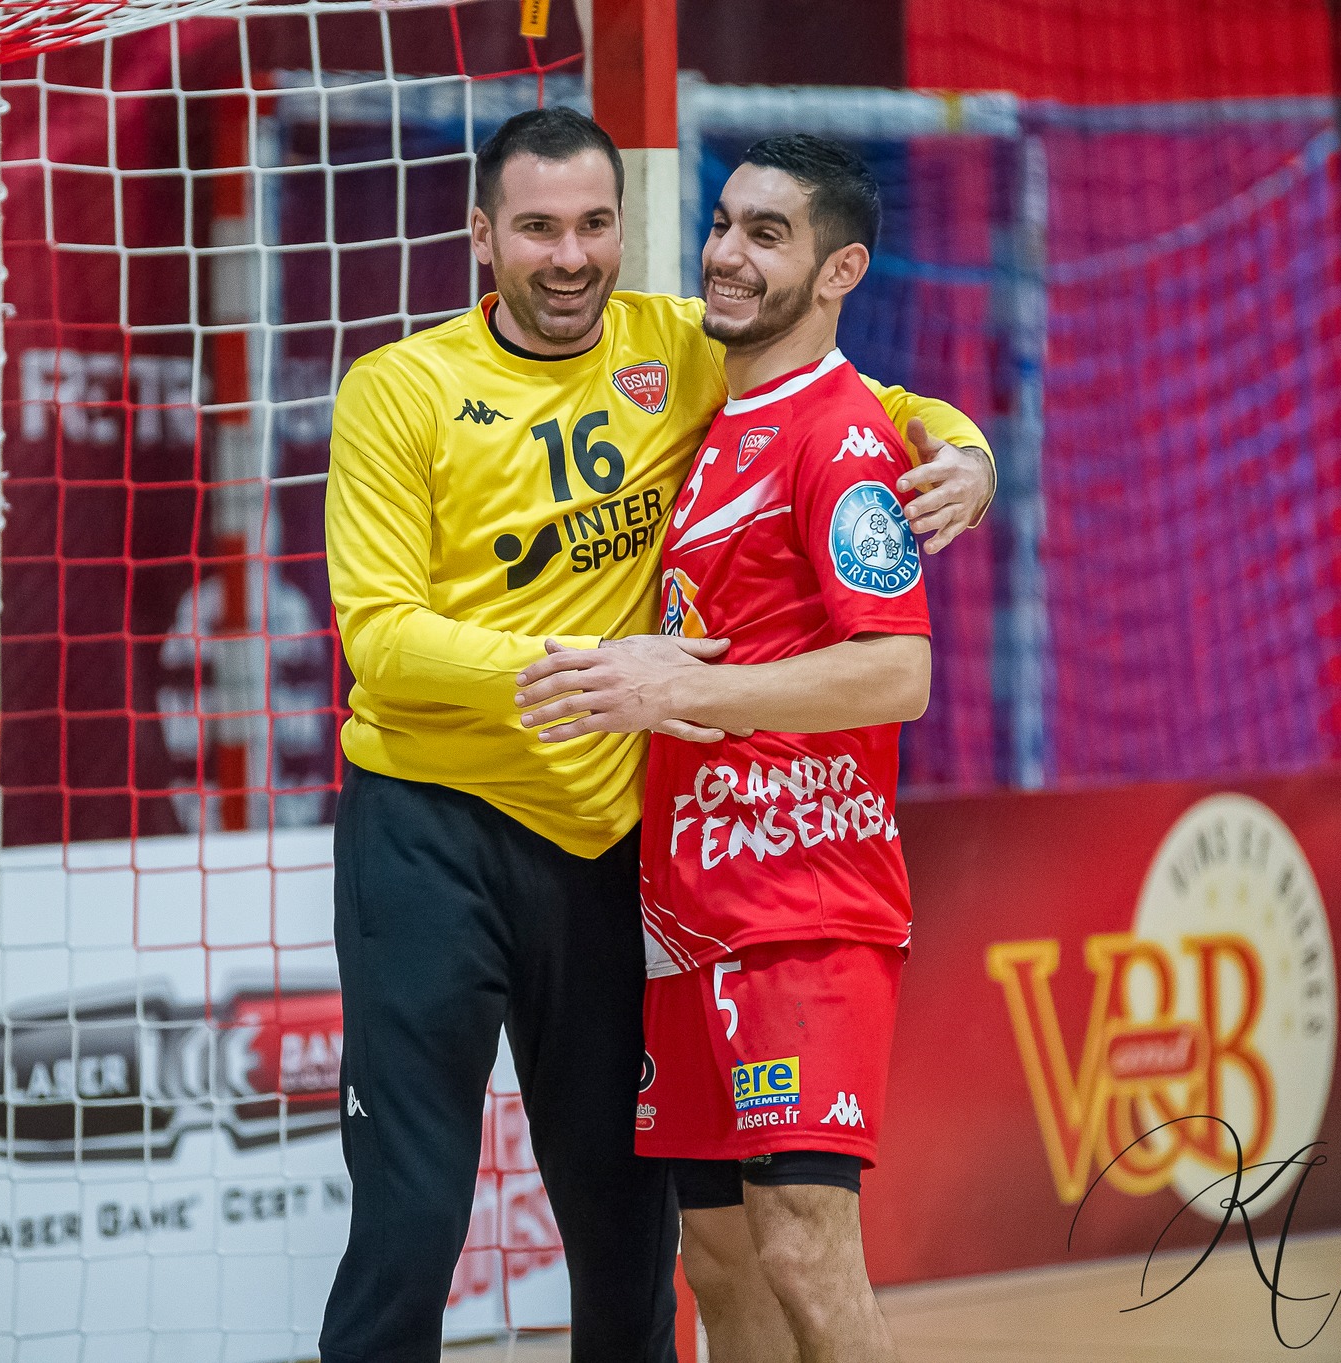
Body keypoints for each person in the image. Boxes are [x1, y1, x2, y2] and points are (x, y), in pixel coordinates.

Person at [320, 107, 991, 1363]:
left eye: (592, 225)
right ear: (479, 237)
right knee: (413, 1217)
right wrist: (592, 670)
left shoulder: (678, 342)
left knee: (634, 1236)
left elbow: (853, 397)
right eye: (534, 229)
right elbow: (382, 639)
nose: (569, 256)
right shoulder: (396, 389)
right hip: (430, 831)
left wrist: (966, 446)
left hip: (619, 849)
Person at [515, 134, 932, 1363]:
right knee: (723, 1265)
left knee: (805, 1244)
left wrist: (665, 685)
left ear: (839, 269)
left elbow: (896, 671)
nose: (727, 256)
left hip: (799, 910)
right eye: (721, 225)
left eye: (767, 235)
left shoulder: (840, 440)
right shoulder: (712, 424)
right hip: (686, 915)